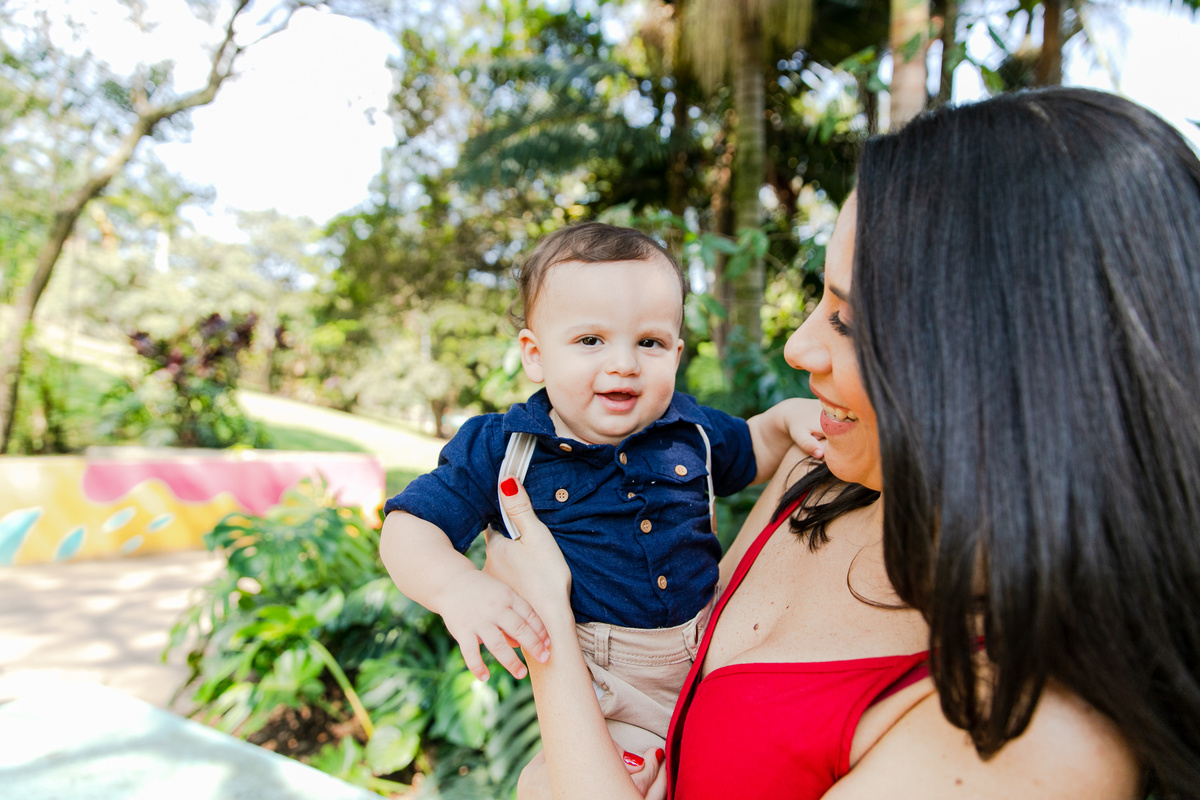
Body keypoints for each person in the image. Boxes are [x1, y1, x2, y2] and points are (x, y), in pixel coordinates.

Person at [484, 87, 1200, 799]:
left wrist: (549, 628)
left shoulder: (1028, 739)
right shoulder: (819, 471)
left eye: (849, 321)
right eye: (818, 299)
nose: (798, 348)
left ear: (1000, 361)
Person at [379, 222, 824, 754]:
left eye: (649, 342)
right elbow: (410, 526)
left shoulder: (691, 430)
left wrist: (786, 418)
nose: (624, 364)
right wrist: (456, 587)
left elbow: (754, 447)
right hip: (607, 688)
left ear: (676, 355)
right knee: (615, 780)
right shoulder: (506, 447)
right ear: (535, 355)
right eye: (591, 340)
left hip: (715, 650)